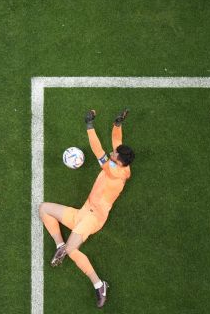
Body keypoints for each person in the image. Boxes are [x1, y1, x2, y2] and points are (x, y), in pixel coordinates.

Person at [39, 109, 135, 308]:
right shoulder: (121, 163)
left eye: (115, 154)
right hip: (84, 212)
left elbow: (97, 150)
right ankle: (59, 245)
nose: (113, 151)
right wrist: (117, 124)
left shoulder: (114, 171)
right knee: (44, 208)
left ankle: (99, 285)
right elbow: (117, 142)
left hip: (93, 218)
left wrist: (89, 126)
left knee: (73, 249)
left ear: (118, 161)